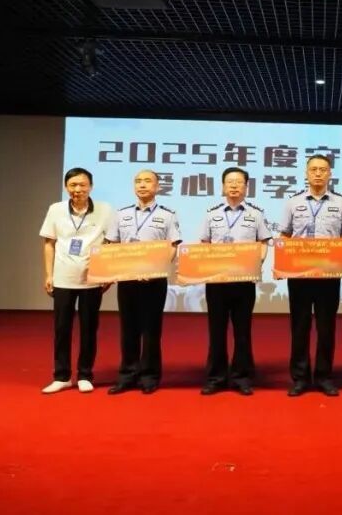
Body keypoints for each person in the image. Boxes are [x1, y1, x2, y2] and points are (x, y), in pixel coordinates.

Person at [280, 155, 342, 397]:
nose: (318, 173)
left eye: (323, 169)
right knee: (299, 327)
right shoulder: (293, 203)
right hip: (299, 275)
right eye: (314, 169)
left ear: (330, 174)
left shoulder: (341, 203)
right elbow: (284, 236)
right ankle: (300, 378)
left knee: (326, 328)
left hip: (329, 276)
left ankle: (324, 376)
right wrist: (282, 264)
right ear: (306, 173)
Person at [197, 167, 272, 396]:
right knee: (216, 330)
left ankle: (242, 376)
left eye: (239, 182)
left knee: (242, 330)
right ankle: (216, 377)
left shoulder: (256, 214)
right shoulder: (211, 214)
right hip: (217, 282)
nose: (234, 186)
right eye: (229, 182)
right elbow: (204, 243)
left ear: (246, 187)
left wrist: (256, 263)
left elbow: (263, 242)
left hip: (243, 281)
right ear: (222, 186)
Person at [106, 169, 181, 394]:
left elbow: (173, 245)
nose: (142, 185)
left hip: (154, 280)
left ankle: (149, 375)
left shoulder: (168, 215)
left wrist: (157, 268)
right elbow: (112, 244)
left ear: (157, 187)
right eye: (138, 181)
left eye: (147, 181)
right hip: (127, 279)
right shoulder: (121, 214)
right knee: (128, 328)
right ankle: (127, 374)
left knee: (151, 329)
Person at [39, 167, 112, 394]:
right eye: (72, 185)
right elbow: (49, 243)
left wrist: (107, 274)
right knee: (62, 329)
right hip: (63, 277)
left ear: (91, 186)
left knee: (89, 328)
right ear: (66, 187)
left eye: (82, 185)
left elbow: (111, 243)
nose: (77, 189)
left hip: (92, 279)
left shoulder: (105, 210)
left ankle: (85, 374)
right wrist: (49, 274)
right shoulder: (56, 209)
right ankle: (61, 376)